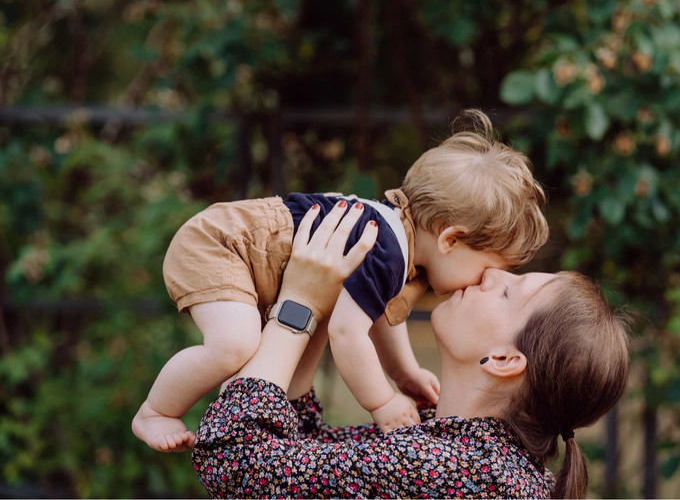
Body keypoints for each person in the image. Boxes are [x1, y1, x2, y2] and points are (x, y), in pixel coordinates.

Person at [132, 108, 550, 451]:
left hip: (231, 243)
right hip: (223, 244)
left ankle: (241, 419)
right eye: (486, 269)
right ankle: (155, 411)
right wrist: (382, 401)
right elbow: (348, 333)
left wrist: (404, 373)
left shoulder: (397, 249)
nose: (483, 281)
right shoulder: (384, 249)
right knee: (234, 346)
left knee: (263, 360)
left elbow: (381, 316)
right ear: (450, 239)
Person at [191, 198, 631, 499]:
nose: (491, 275)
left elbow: (236, 464)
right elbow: (305, 455)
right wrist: (331, 299)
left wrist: (297, 306)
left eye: (509, 292)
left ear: (504, 360)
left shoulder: (462, 471)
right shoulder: (461, 454)